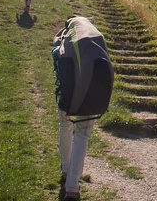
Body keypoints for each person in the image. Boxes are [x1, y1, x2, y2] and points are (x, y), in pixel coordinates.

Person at [53, 16, 101, 201]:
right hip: (90, 94)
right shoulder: (95, 40)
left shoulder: (64, 38)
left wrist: (64, 29)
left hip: (67, 92)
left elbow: (55, 44)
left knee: (65, 126)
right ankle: (73, 188)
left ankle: (65, 170)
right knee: (82, 135)